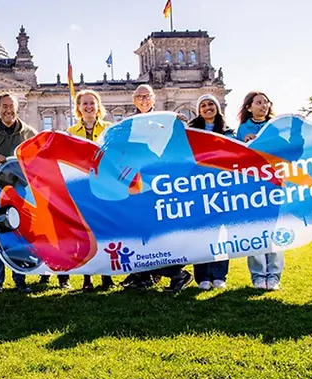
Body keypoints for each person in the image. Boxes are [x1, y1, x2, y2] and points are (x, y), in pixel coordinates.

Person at [118, 85, 193, 293]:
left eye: (147, 96)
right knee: (139, 230)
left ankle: (178, 273)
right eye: (139, 97)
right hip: (135, 183)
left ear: (153, 99)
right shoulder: (127, 124)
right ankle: (144, 276)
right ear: (134, 100)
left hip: (158, 184)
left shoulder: (165, 120)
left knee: (159, 232)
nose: (143, 100)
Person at [0, 94, 38, 293]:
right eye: (4, 106)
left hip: (21, 194)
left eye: (11, 106)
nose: (8, 110)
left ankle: (20, 280)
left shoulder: (29, 133)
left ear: (17, 108)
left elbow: (37, 164)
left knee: (19, 236)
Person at [63, 89, 113, 291]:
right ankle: (87, 277)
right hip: (82, 188)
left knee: (105, 232)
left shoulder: (109, 129)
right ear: (78, 108)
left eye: (92, 103)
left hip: (105, 187)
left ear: (98, 105)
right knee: (85, 234)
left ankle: (107, 275)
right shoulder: (71, 132)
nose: (89, 107)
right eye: (84, 103)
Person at [235, 90, 284, 290]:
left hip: (274, 184)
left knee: (274, 229)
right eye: (258, 103)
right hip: (252, 186)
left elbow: (283, 151)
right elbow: (237, 157)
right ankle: (257, 275)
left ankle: (274, 275)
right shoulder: (241, 129)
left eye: (266, 102)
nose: (263, 106)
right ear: (249, 107)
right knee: (254, 228)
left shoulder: (277, 127)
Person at [188, 94, 234, 290]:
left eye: (211, 104)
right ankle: (203, 276)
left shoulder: (228, 132)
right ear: (198, 111)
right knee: (201, 233)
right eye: (203, 105)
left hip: (223, 188)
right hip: (199, 189)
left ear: (218, 107)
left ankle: (219, 275)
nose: (208, 108)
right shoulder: (190, 133)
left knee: (221, 233)